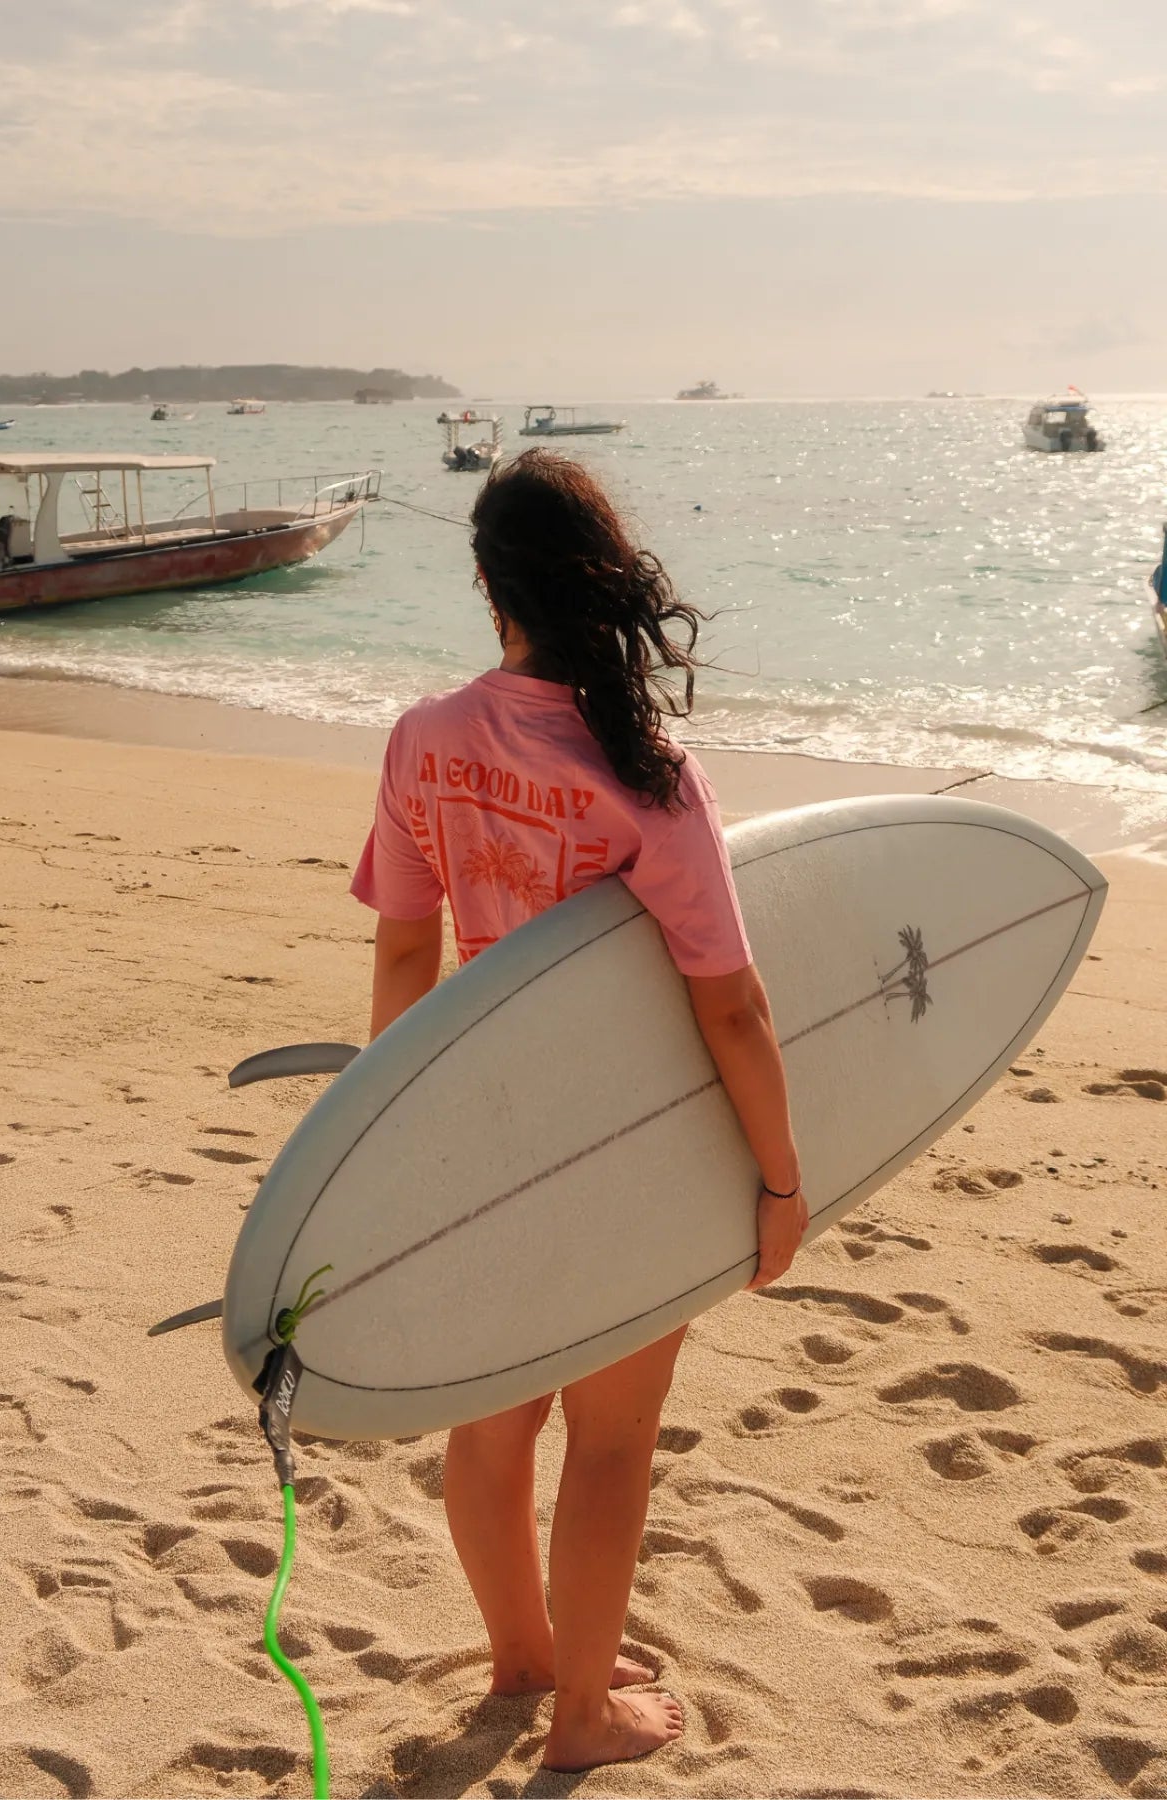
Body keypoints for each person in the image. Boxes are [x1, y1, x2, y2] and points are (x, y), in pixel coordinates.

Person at [352, 450, 807, 1772]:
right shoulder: (652, 767)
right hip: (627, 1152)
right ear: (604, 580)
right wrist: (780, 1184)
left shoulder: (423, 738)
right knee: (611, 1445)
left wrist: (399, 1142)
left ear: (490, 582)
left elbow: (400, 954)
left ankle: (524, 1656)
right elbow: (731, 1006)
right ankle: (584, 1715)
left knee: (493, 1418)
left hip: (478, 1135)